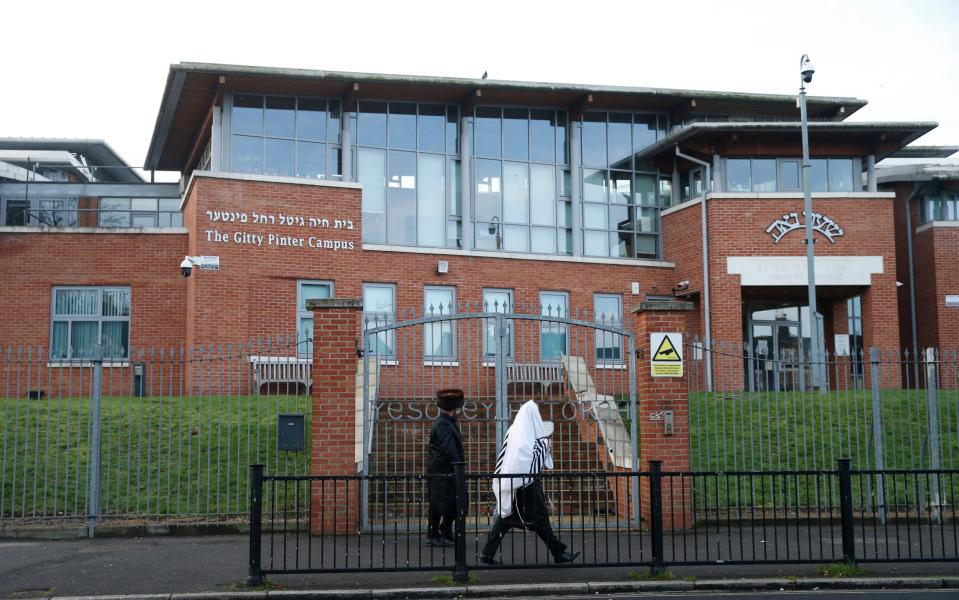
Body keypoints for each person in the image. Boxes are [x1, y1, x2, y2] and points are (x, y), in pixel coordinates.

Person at [479, 400, 579, 565]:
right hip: (528, 486)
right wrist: (545, 445)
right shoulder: (536, 439)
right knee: (539, 520)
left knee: (507, 519)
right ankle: (559, 553)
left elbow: (507, 457)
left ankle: (487, 554)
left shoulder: (513, 432)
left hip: (513, 484)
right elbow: (534, 463)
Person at [425, 388, 465, 547]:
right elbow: (448, 447)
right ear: (453, 409)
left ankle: (445, 531)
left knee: (454, 502)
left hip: (447, 469)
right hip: (441, 471)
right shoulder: (443, 424)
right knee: (438, 503)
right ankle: (433, 535)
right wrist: (459, 466)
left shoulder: (448, 422)